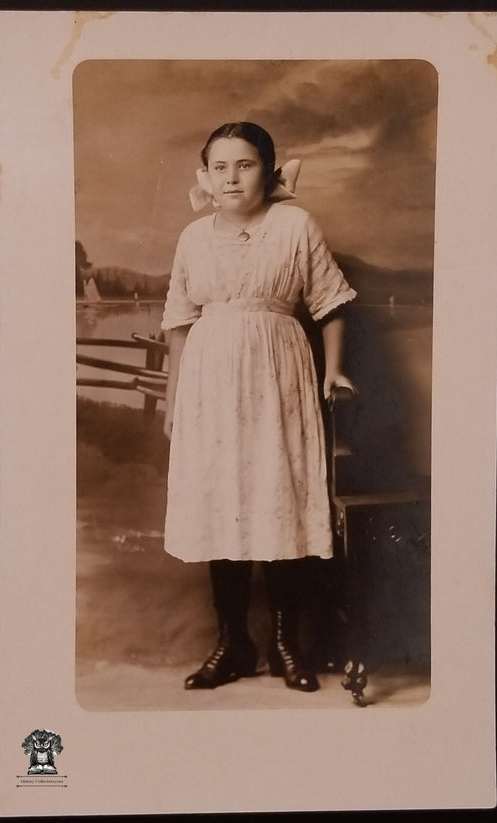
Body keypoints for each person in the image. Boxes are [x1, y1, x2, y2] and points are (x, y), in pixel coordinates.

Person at [161, 122, 356, 692]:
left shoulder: (295, 225)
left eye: (244, 165)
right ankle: (231, 644)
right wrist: (175, 399)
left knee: (278, 499)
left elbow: (331, 304)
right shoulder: (193, 238)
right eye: (219, 167)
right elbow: (178, 323)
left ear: (269, 172)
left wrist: (335, 367)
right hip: (210, 387)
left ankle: (284, 644)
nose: (231, 178)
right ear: (206, 176)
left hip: (279, 379)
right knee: (223, 505)